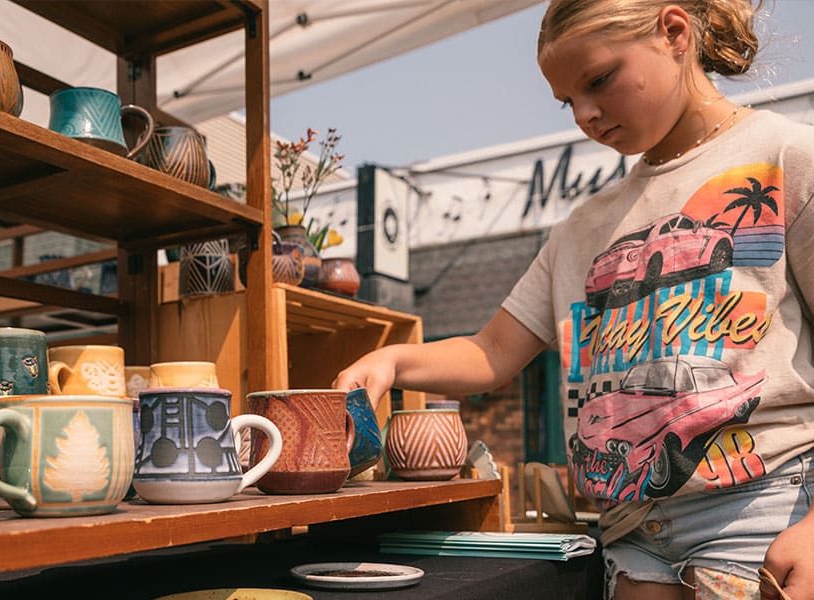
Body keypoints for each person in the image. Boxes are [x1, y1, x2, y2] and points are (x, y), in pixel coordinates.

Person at [333, 1, 814, 598]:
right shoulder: (581, 228)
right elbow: (492, 351)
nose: (585, 114)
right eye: (567, 101)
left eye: (599, 80)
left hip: (765, 510)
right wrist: (393, 362)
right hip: (628, 533)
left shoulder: (788, 157)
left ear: (674, 32)